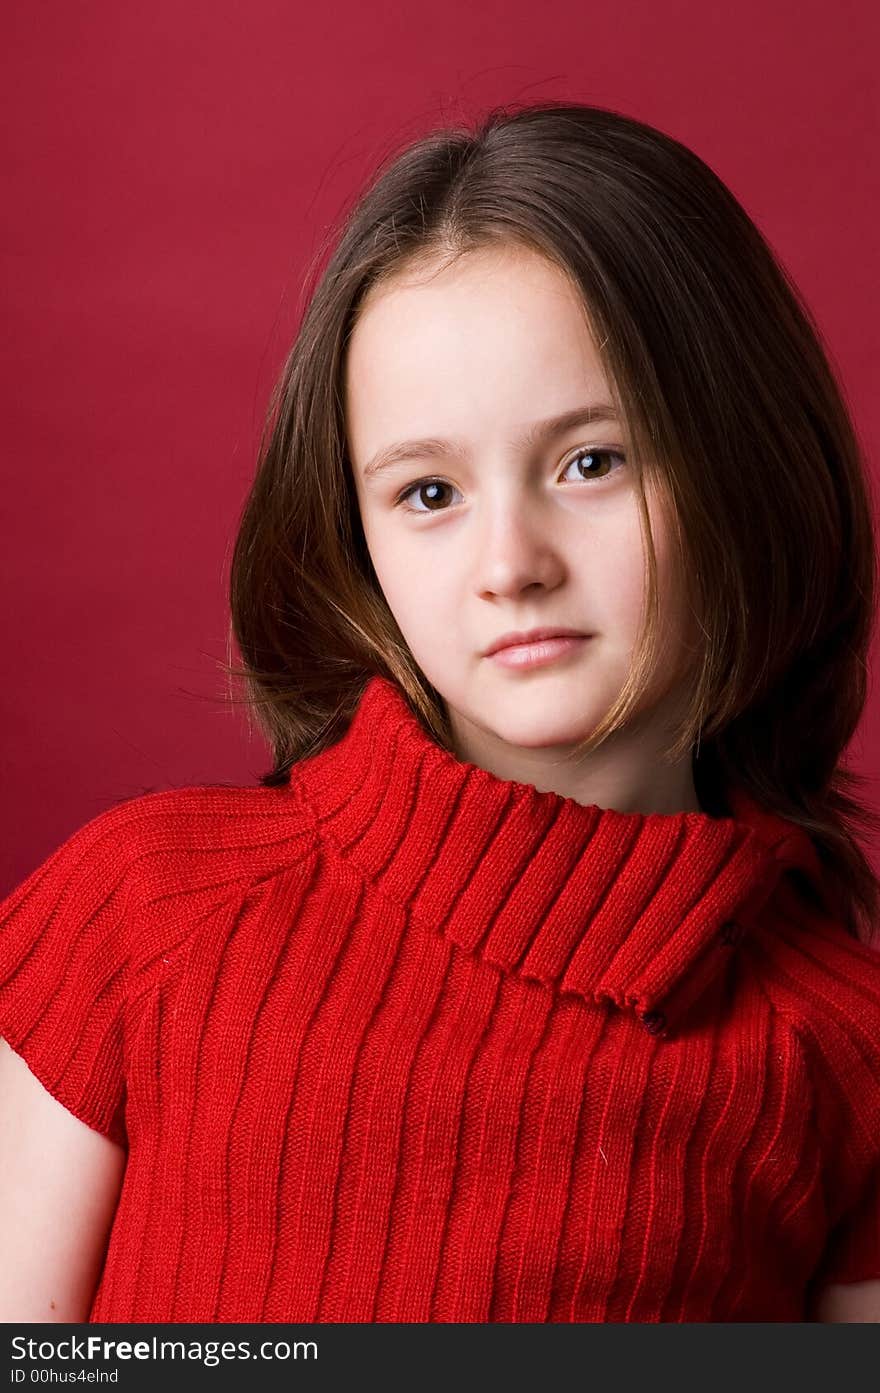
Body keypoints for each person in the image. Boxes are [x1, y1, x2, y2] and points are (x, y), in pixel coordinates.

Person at [2, 99, 880, 1325]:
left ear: (749, 461)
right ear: (357, 534)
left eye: (592, 461)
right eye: (427, 492)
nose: (508, 562)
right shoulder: (143, 916)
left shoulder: (836, 1058)